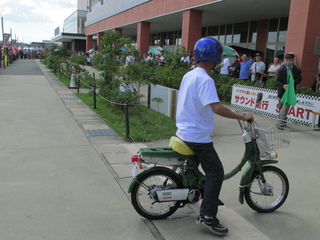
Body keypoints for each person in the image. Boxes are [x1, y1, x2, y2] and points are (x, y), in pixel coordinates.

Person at [176, 37, 253, 236]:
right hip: (197, 136)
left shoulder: (190, 75)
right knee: (216, 172)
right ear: (213, 57)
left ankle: (197, 193)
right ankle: (207, 216)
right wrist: (242, 116)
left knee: (198, 169)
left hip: (184, 131)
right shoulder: (205, 79)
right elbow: (217, 108)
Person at [276, 53, 302, 127]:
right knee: (281, 108)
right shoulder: (281, 70)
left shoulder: (297, 70)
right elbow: (278, 81)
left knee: (285, 108)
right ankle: (282, 122)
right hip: (282, 92)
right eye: (287, 60)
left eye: (290, 60)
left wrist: (294, 82)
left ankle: (280, 124)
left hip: (290, 92)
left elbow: (299, 79)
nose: (288, 61)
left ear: (293, 60)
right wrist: (283, 85)